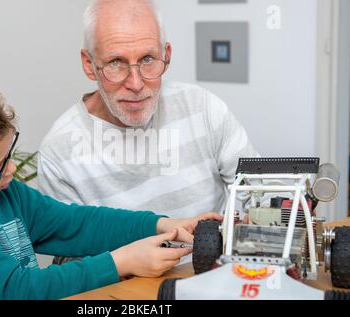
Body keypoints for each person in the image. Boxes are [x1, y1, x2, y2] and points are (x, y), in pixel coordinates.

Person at [0, 70, 221, 300]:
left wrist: (161, 224)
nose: (12, 170)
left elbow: (73, 223)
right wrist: (121, 261)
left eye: (8, 155)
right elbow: (14, 290)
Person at [38, 0, 258, 219]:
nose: (136, 84)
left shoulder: (204, 109)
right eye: (116, 62)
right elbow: (72, 250)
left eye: (147, 59)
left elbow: (263, 194)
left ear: (167, 55)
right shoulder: (59, 151)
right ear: (89, 64)